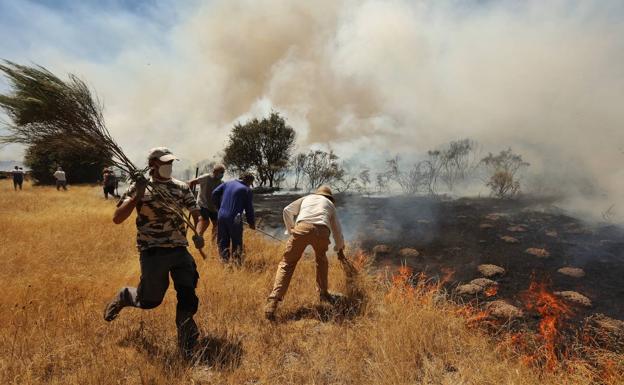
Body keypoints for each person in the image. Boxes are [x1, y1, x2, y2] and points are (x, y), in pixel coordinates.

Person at [103, 147, 205, 358]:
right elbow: (117, 217)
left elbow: (198, 215)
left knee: (188, 294)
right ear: (152, 165)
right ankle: (125, 295)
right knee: (150, 301)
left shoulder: (181, 188)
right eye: (165, 163)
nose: (169, 166)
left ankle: (186, 342)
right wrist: (138, 195)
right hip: (153, 252)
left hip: (179, 250)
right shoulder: (139, 188)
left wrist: (199, 232)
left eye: (171, 163)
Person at [264, 185, 346, 321]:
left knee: (287, 263)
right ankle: (324, 293)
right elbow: (337, 230)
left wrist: (291, 230)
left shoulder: (307, 198)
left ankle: (273, 301)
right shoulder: (330, 204)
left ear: (318, 194)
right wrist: (339, 249)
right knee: (321, 260)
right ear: (329, 197)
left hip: (301, 227)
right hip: (322, 231)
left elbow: (286, 210)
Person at [211, 172, 255, 265]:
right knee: (237, 241)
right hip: (235, 218)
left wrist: (220, 207)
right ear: (249, 181)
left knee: (223, 240)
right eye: (251, 183)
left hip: (221, 215)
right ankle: (237, 265)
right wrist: (251, 223)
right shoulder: (247, 190)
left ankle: (224, 263)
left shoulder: (227, 183)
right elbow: (249, 209)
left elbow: (215, 193)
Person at [188, 164, 225, 242]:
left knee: (217, 224)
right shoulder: (206, 177)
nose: (222, 174)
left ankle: (213, 242)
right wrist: (190, 196)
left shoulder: (221, 183)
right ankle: (198, 238)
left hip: (213, 207)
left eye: (223, 172)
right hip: (202, 204)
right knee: (205, 221)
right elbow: (191, 182)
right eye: (221, 172)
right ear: (215, 171)